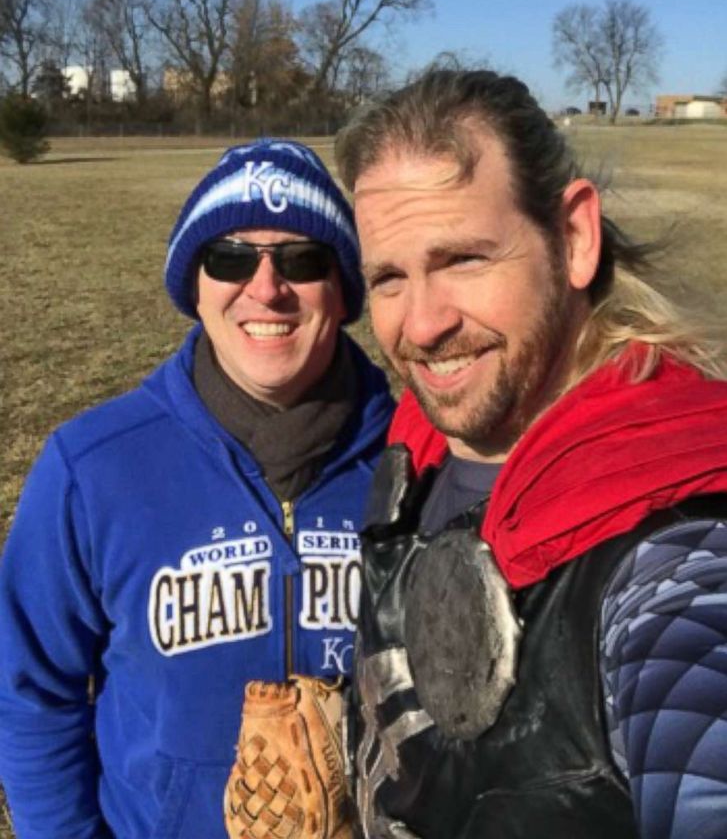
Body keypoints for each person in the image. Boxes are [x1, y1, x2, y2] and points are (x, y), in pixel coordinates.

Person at [335, 70, 727, 839]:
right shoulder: (416, 447)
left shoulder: (677, 535)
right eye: (387, 277)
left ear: (573, 237)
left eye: (463, 261)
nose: (420, 326)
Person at [0, 139, 394, 839]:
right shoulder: (92, 468)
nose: (266, 288)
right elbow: (31, 694)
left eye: (302, 261)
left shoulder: (417, 456)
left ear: (342, 291)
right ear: (195, 284)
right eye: (231, 257)